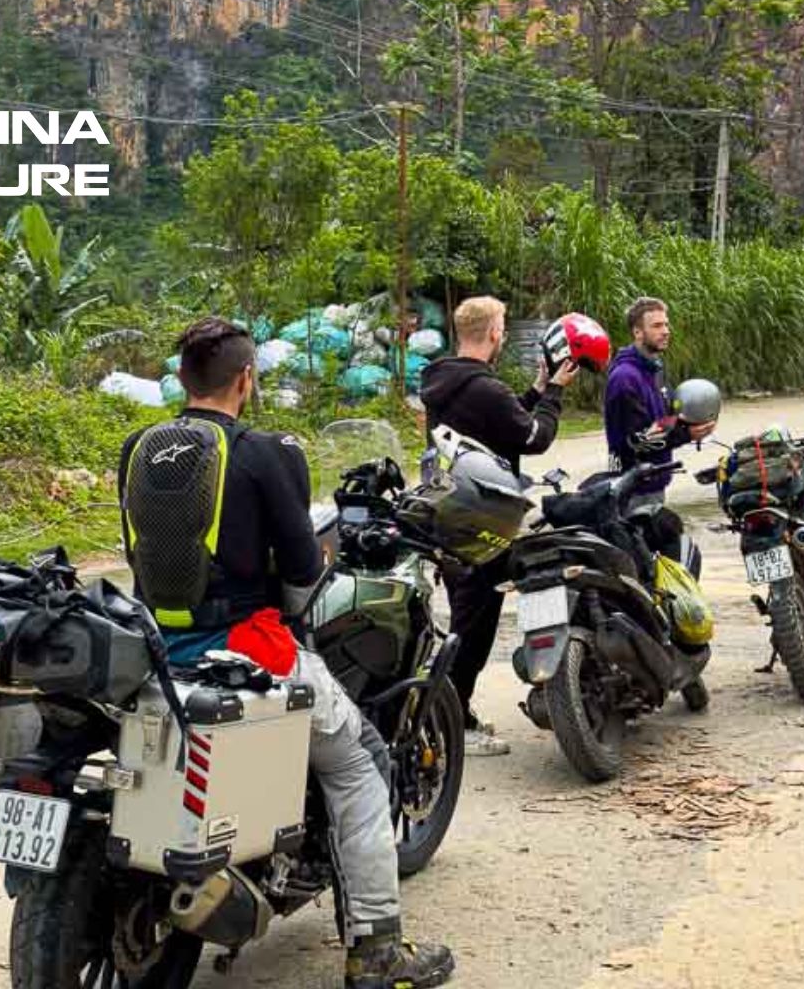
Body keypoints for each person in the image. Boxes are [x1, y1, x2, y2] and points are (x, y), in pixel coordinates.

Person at [117, 318, 455, 989]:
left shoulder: (137, 446)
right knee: (362, 761)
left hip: (151, 647)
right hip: (241, 646)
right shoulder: (264, 452)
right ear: (246, 379)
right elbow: (304, 572)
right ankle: (377, 950)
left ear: (182, 381)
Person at [418, 296, 580, 757]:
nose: (505, 333)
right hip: (481, 519)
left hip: (448, 512)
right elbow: (533, 438)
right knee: (472, 629)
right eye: (503, 326)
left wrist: (532, 392)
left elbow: (498, 427)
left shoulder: (444, 381)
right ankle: (448, 726)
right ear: (493, 333)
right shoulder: (484, 388)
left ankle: (454, 713)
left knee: (465, 619)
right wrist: (554, 393)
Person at [603, 296, 717, 509]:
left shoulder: (655, 368)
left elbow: (663, 419)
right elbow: (637, 442)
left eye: (666, 324)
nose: (665, 331)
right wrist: (687, 434)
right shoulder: (624, 378)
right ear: (638, 332)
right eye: (656, 325)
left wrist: (686, 422)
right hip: (632, 490)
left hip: (653, 485)